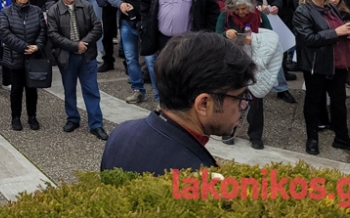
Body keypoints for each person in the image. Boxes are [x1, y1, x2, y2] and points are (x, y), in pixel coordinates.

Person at [100, 32, 255, 175]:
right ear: (203, 104)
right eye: (239, 97)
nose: (243, 106)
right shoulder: (196, 177)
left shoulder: (121, 133)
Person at [292, 0, 350, 155]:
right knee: (313, 102)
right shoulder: (302, 11)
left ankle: (342, 138)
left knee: (339, 103)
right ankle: (312, 139)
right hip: (316, 65)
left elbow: (339, 31)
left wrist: (349, 33)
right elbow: (308, 39)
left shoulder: (331, 8)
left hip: (339, 63)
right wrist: (336, 32)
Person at [138, 0, 220, 102]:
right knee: (164, 72)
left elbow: (212, 9)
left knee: (187, 72)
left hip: (188, 39)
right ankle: (163, 101)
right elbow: (145, 5)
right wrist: (144, 25)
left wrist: (206, 33)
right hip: (162, 39)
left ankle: (185, 103)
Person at [215, 0, 282, 150]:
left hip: (254, 62)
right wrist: (225, 35)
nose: (241, 12)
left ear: (250, 6)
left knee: (256, 100)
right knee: (231, 98)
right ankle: (228, 131)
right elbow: (216, 37)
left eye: (244, 8)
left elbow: (271, 38)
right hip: (232, 62)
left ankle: (255, 136)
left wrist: (254, 39)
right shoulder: (225, 17)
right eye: (237, 9)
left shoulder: (260, 16)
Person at [47, 0, 106, 139]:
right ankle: (72, 118)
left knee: (92, 90)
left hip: (87, 54)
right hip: (66, 56)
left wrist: (83, 43)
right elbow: (53, 35)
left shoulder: (86, 6)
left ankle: (96, 124)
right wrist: (74, 46)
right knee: (69, 89)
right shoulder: (54, 11)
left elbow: (97, 27)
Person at [108, 0, 157, 104]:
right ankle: (137, 89)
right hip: (127, 22)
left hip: (147, 23)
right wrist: (120, 4)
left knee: (151, 60)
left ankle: (160, 95)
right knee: (130, 58)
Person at [0, 0, 46, 131]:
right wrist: (24, 47)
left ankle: (32, 116)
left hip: (33, 56)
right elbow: (5, 33)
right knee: (16, 90)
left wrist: (37, 46)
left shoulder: (37, 11)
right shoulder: (6, 12)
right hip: (15, 56)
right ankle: (16, 117)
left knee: (32, 88)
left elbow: (42, 31)